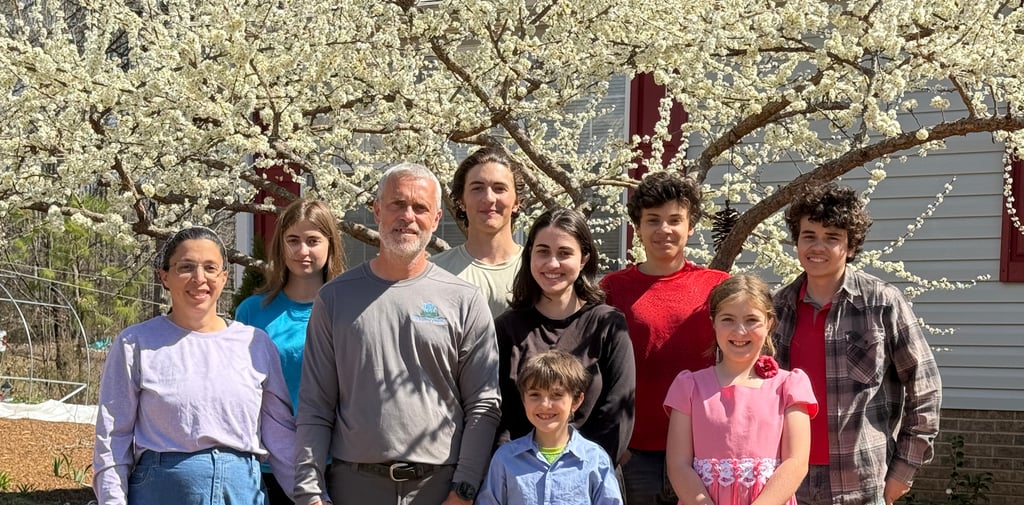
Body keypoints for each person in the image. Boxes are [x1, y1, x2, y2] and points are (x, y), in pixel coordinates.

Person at [294, 162, 501, 505]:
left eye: (420, 208)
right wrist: (309, 494)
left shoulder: (464, 300)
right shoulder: (334, 299)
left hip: (439, 488)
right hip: (354, 487)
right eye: (397, 204)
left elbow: (484, 403)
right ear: (377, 210)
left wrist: (463, 490)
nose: (408, 216)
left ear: (436, 219)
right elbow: (315, 405)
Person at [93, 226, 300, 505]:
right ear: (165, 276)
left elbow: (281, 436)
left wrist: (311, 496)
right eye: (186, 267)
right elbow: (113, 436)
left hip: (242, 492)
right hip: (161, 494)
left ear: (224, 277)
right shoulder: (135, 343)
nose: (199, 278)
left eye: (210, 268)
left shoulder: (255, 344)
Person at [773, 183, 942, 505]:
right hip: (786, 482)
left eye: (832, 237)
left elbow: (925, 389)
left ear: (850, 247)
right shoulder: (776, 309)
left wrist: (903, 470)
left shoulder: (882, 303)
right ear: (797, 241)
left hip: (861, 483)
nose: (818, 247)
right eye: (809, 235)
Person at [600, 171, 729, 504]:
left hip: (703, 449)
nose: (664, 230)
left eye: (675, 220)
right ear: (637, 227)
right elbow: (596, 368)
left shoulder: (717, 285)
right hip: (635, 453)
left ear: (691, 226)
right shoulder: (611, 289)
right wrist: (617, 444)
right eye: (653, 220)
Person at [494, 207, 635, 463]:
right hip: (519, 472)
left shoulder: (608, 325)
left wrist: (581, 470)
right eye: (543, 251)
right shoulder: (506, 328)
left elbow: (616, 413)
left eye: (564, 253)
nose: (552, 263)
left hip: (591, 473)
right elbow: (500, 414)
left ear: (583, 259)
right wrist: (514, 468)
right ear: (530, 255)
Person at [664, 274, 817, 505]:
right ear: (713, 322)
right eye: (728, 319)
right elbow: (678, 464)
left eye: (751, 320)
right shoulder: (689, 387)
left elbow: (796, 462)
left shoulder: (789, 386)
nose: (740, 331)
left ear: (769, 323)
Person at [235, 198, 345, 504]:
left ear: (330, 245)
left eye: (313, 241)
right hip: (268, 466)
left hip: (336, 462)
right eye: (293, 240)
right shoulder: (252, 312)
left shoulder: (347, 310)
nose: (302, 251)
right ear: (281, 246)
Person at [477, 349, 624, 505]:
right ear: (523, 399)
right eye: (535, 395)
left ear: (576, 401)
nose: (545, 405)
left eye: (556, 395)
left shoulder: (596, 460)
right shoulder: (505, 458)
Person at [430, 146, 526, 317]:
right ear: (461, 201)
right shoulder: (434, 273)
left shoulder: (540, 269)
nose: (488, 198)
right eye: (477, 188)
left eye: (499, 188)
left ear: (517, 202)